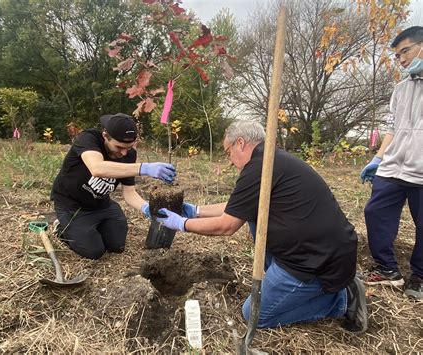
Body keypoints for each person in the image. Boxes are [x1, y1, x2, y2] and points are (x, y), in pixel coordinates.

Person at [158, 120, 368, 332]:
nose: (229, 160)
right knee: (252, 215)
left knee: (254, 316)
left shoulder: (260, 167)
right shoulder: (271, 161)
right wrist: (196, 210)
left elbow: (227, 226)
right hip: (323, 250)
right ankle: (307, 287)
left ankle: (340, 300)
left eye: (228, 151)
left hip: (313, 261)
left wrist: (182, 224)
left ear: (240, 143)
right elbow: (237, 207)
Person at [51, 113, 177, 259]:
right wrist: (144, 168)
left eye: (128, 148)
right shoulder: (88, 139)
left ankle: (90, 228)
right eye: (119, 147)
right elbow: (97, 168)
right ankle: (62, 228)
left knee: (117, 246)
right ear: (105, 136)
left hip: (101, 205)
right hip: (71, 205)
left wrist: (148, 208)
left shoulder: (128, 155)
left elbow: (129, 192)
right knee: (94, 251)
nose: (124, 153)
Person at [360, 26, 422, 301]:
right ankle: (387, 269)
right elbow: (392, 127)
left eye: (405, 51)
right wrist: (378, 157)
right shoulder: (401, 89)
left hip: (421, 172)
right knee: (375, 212)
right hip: (393, 167)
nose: (401, 59)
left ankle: (418, 277)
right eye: (397, 56)